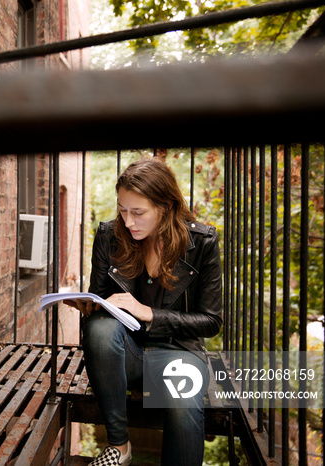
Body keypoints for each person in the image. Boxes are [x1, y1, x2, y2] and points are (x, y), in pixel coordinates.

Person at [66, 157, 223, 466]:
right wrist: (90, 307)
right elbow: (101, 304)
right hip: (125, 355)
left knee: (183, 401)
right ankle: (119, 446)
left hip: (178, 352)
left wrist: (148, 312)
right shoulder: (110, 236)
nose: (128, 221)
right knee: (98, 327)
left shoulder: (202, 242)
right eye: (122, 210)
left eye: (138, 212)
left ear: (165, 207)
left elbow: (211, 321)